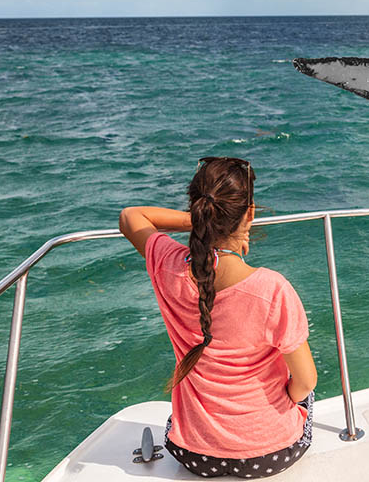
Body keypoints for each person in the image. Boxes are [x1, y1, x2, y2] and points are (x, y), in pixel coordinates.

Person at [119, 156, 317, 479]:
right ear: (249, 215)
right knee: (304, 388)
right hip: (272, 451)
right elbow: (306, 382)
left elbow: (130, 217)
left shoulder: (168, 267)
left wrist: (198, 224)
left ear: (198, 210)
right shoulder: (272, 290)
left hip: (194, 453)